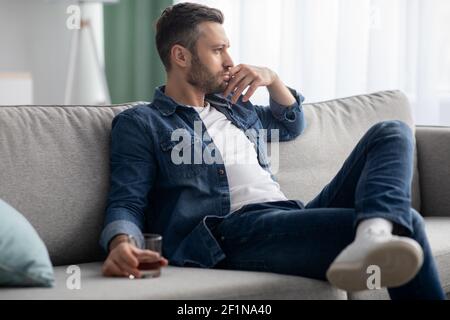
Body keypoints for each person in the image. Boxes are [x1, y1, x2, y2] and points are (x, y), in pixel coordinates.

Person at [99, 2, 445, 299]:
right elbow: (127, 200)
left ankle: (374, 231)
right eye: (217, 50)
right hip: (231, 232)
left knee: (391, 131)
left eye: (228, 48)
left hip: (287, 213)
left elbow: (291, 123)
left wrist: (272, 79)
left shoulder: (234, 107)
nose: (230, 60)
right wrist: (121, 244)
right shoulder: (142, 123)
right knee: (408, 223)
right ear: (181, 56)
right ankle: (380, 230)